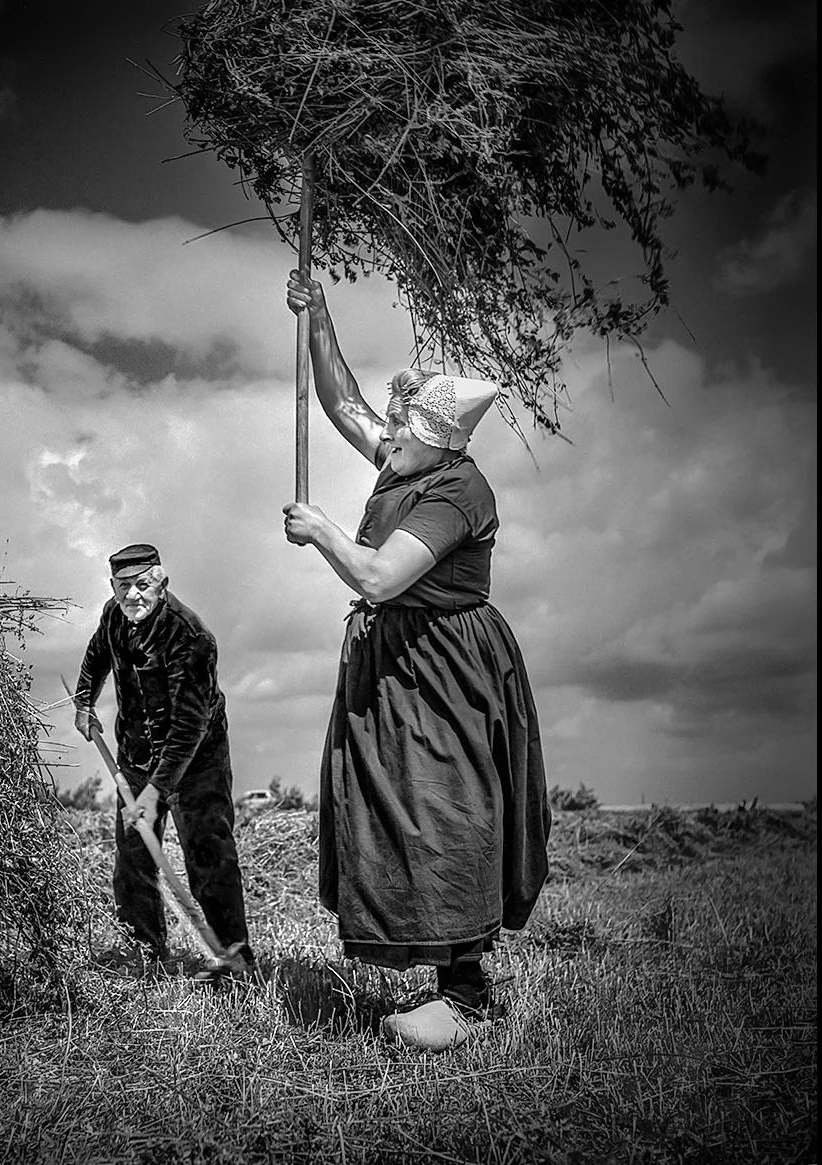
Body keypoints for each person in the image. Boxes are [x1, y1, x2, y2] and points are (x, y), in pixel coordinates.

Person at [280, 271, 550, 1050]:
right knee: (390, 803)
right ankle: (435, 971)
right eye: (389, 427)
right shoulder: (408, 459)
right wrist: (319, 316)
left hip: (447, 668)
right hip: (395, 665)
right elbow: (340, 402)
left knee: (447, 809)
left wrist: (323, 530)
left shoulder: (457, 491)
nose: (382, 435)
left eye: (397, 429)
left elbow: (379, 575)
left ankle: (467, 997)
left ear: (432, 438)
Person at [74, 543, 253, 979]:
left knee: (208, 857)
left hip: (197, 764)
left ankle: (235, 960)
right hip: (135, 754)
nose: (132, 595)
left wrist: (155, 792)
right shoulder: (115, 615)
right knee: (133, 860)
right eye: (123, 587)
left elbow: (190, 727)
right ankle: (145, 954)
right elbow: (98, 653)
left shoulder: (190, 638)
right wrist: (83, 702)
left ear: (162, 583)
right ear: (112, 587)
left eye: (142, 585)